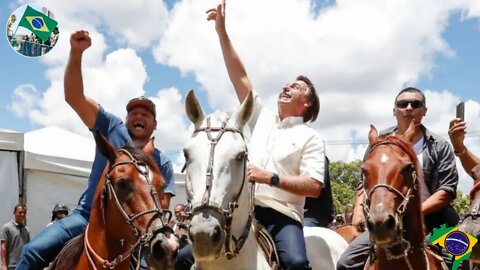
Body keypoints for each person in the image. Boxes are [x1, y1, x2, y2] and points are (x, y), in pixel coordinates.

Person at [176, 2, 324, 269]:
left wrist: (271, 178)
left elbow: (314, 186)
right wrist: (221, 32)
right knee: (183, 259)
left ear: (307, 104)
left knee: (296, 262)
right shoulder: (261, 116)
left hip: (282, 216)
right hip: (241, 210)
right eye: (287, 83)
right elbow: (239, 75)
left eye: (296, 86)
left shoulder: (310, 137)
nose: (286, 86)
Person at [16, 30, 175, 270]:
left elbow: (162, 205)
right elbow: (74, 96)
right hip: (87, 217)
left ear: (155, 124)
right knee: (31, 253)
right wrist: (76, 52)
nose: (139, 116)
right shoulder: (111, 127)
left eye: (146, 114)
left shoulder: (162, 162)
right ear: (127, 118)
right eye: (134, 112)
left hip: (138, 230)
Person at [337, 87, 461, 270]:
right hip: (386, 215)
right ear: (394, 110)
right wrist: (358, 210)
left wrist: (412, 211)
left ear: (424, 111)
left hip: (436, 220)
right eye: (402, 104)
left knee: (461, 258)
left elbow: (447, 191)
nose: (408, 108)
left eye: (416, 104)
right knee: (345, 263)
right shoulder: (378, 144)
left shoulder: (440, 145)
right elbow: (364, 180)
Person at [1, 204, 30, 270]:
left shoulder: (26, 229)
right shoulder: (7, 227)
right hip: (11, 265)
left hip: (23, 264)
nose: (22, 214)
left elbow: (28, 247)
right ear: (14, 213)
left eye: (24, 213)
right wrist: (4, 265)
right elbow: (3, 247)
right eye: (20, 212)